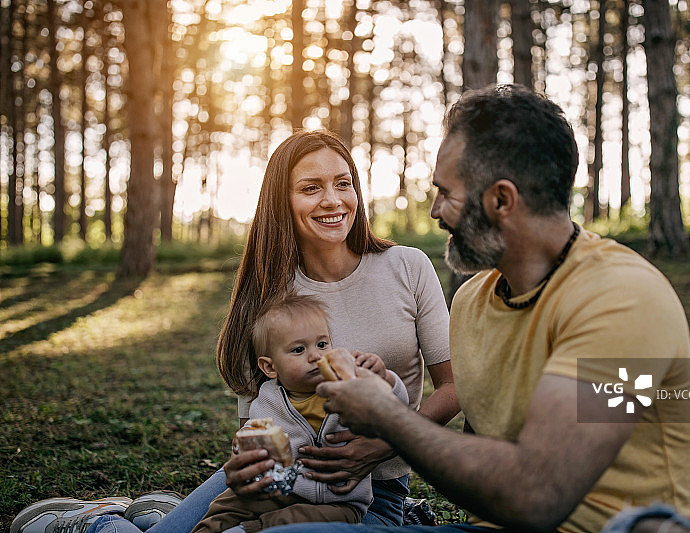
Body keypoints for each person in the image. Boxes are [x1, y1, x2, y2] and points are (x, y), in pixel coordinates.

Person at [252, 84, 690, 533]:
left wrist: (388, 419)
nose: (433, 211)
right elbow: (478, 463)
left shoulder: (624, 298)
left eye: (446, 193)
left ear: (501, 200)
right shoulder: (472, 300)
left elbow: (539, 495)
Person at [11, 130, 460, 533]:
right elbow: (254, 424)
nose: (332, 200)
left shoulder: (408, 267)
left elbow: (454, 386)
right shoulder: (270, 290)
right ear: (281, 201)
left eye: (343, 183)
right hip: (272, 484)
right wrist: (250, 463)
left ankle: (151, 515)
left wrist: (384, 443)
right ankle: (99, 524)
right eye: (310, 188)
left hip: (368, 495)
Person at [192, 293, 409, 533]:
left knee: (295, 519)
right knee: (227, 502)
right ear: (270, 367)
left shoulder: (347, 387)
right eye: (298, 349)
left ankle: (250, 530)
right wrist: (244, 446)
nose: (316, 355)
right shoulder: (268, 398)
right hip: (280, 489)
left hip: (338, 502)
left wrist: (385, 379)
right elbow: (255, 431)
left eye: (322, 344)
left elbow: (397, 407)